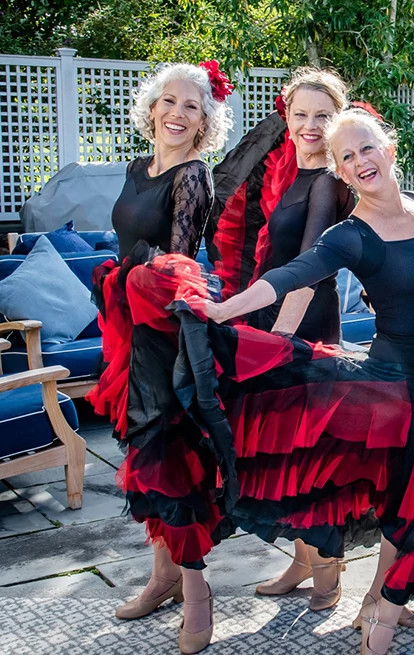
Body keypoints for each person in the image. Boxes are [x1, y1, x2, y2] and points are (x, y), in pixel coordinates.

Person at [196, 108, 414, 654]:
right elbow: (291, 275)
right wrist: (225, 311)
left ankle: (377, 603)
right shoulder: (349, 235)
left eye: (366, 148)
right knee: (408, 500)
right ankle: (379, 611)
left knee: (413, 499)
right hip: (398, 381)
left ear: (389, 150)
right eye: (346, 157)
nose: (359, 161)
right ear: (341, 176)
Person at [88, 61, 233, 654]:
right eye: (168, 101)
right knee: (141, 453)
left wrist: (130, 286)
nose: (177, 112)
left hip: (162, 328)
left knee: (170, 459)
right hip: (124, 326)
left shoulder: (194, 176)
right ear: (151, 108)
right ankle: (163, 577)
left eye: (191, 106)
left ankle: (199, 597)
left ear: (204, 123)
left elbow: (173, 268)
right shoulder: (135, 168)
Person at [222, 67, 357, 612]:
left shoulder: (328, 181)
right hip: (272, 324)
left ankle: (327, 573)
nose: (308, 125)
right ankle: (302, 561)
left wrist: (277, 345)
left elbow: (310, 268)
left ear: (338, 121)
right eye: (299, 114)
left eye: (322, 115)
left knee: (310, 456)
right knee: (283, 457)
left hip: (302, 331)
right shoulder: (288, 175)